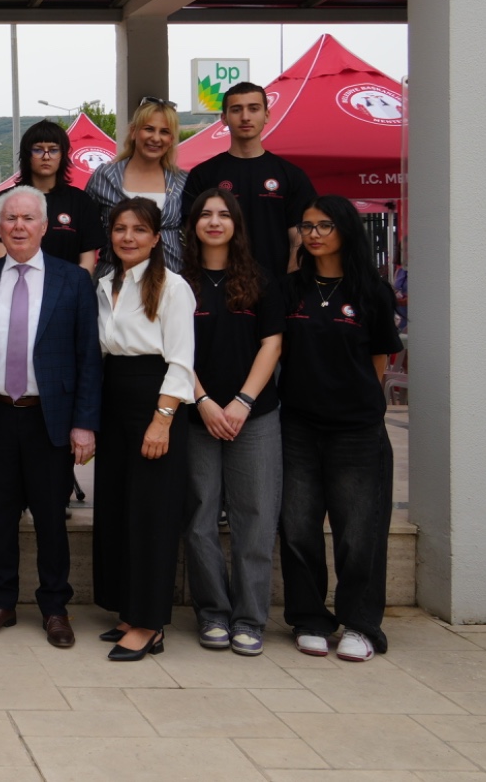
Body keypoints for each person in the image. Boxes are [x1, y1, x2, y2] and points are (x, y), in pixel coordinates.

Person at [0, 186, 100, 648]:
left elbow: (88, 357)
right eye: (10, 218)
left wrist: (84, 423)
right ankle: (1, 601)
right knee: (0, 515)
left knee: (51, 518)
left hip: (49, 419)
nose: (18, 226)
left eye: (28, 218)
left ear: (45, 225)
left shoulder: (72, 281)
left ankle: (55, 608)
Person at [278, 195, 401, 663]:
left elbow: (378, 360)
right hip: (298, 427)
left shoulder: (372, 292)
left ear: (345, 230)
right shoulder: (290, 289)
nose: (313, 234)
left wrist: (358, 403)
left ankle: (361, 625)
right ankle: (309, 619)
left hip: (357, 432)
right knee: (298, 528)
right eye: (307, 226)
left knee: (359, 532)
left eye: (324, 225)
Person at [180, 190, 283, 657]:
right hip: (196, 414)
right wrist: (202, 400)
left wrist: (242, 402)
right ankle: (213, 612)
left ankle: (249, 618)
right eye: (205, 214)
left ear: (236, 224)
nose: (214, 221)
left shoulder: (260, 279)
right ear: (193, 225)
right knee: (199, 518)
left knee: (255, 516)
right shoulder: (179, 282)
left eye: (224, 215)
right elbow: (173, 349)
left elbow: (272, 344)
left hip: (254, 417)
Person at [93, 196, 197, 661]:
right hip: (113, 399)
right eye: (120, 229)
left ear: (156, 238)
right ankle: (127, 610)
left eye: (138, 230)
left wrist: (162, 419)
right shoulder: (104, 285)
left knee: (151, 514)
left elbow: (181, 360)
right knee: (118, 508)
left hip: (154, 400)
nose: (128, 237)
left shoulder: (173, 287)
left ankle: (150, 623)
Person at [181, 82, 316, 276]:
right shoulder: (202, 175)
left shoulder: (291, 175)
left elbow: (301, 234)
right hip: (220, 284)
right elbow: (193, 234)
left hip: (277, 284)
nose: (245, 117)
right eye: (236, 110)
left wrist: (292, 280)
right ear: (224, 118)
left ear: (266, 115)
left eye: (254, 109)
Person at [86, 99, 188, 274]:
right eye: (149, 129)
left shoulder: (182, 181)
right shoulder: (104, 176)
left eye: (164, 132)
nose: (155, 138)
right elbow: (85, 231)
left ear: (171, 139)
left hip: (169, 279)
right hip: (114, 280)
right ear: (133, 132)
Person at [7, 120, 101, 275]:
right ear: (27, 154)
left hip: (69, 288)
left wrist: (72, 287)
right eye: (38, 150)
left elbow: (87, 261)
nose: (46, 156)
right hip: (17, 286)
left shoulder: (81, 202)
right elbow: (0, 255)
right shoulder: (7, 201)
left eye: (53, 150)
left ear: (63, 154)